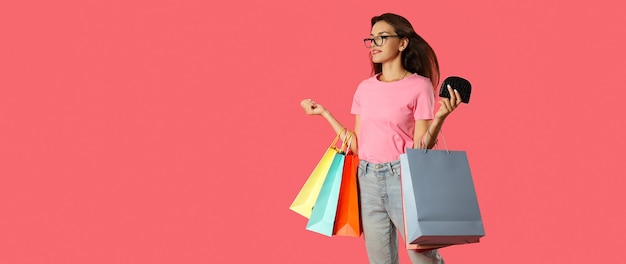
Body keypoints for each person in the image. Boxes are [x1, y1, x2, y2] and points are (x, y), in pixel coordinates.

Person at [300, 13, 462, 264]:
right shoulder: (365, 88)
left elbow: (421, 148)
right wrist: (324, 113)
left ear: (402, 43)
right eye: (371, 39)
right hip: (367, 181)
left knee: (422, 257)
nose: (374, 44)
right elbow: (358, 145)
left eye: (382, 38)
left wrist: (440, 117)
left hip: (403, 177)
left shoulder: (420, 86)